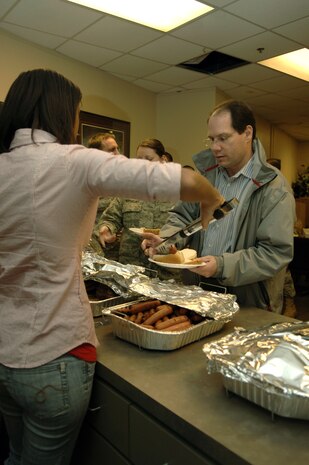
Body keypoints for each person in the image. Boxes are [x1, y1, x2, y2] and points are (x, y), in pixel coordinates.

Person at [0, 68, 223, 465]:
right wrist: (208, 197)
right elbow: (179, 180)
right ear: (62, 114)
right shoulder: (75, 162)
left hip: (5, 354)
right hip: (54, 353)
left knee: (16, 454)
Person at [142, 100, 295, 313]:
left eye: (223, 138)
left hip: (246, 303)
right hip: (198, 294)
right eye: (211, 139)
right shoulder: (206, 176)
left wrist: (221, 265)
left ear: (247, 133)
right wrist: (166, 240)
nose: (215, 147)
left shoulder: (275, 188)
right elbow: (182, 217)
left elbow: (274, 253)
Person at [98, 138, 181, 279]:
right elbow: (111, 217)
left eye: (148, 159)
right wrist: (107, 229)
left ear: (163, 159)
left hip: (165, 273)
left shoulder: (177, 193)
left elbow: (187, 230)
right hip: (130, 271)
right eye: (139, 159)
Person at [87, 132, 120, 257]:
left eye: (117, 148)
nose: (118, 154)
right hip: (95, 251)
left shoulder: (121, 181)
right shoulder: (88, 183)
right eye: (112, 150)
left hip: (121, 253)